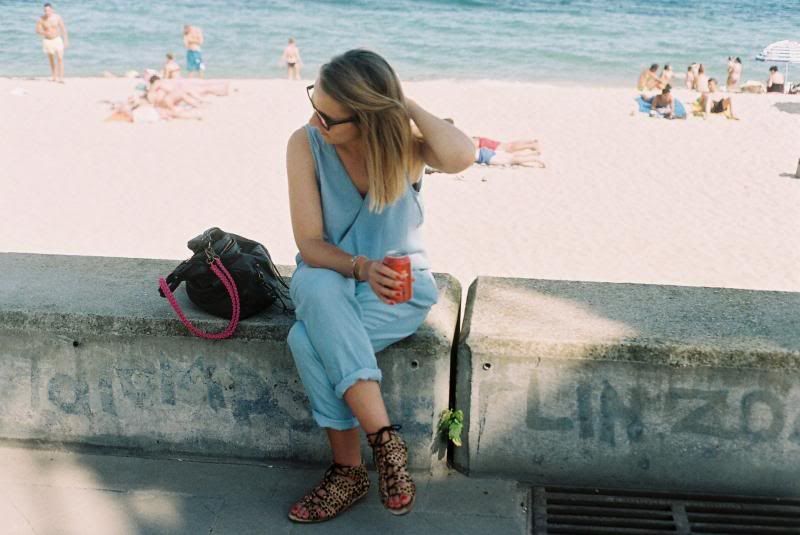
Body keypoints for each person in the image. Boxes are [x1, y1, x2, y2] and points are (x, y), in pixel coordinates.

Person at [284, 49, 473, 523]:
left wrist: (402, 104)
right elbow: (310, 244)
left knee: (305, 341)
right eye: (314, 104)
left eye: (329, 117)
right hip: (329, 275)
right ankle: (385, 442)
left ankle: (348, 472)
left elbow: (462, 155)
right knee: (320, 289)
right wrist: (362, 267)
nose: (316, 120)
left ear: (367, 116)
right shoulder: (305, 143)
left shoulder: (406, 146)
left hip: (396, 292)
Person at [35, 3, 68, 83]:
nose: (47, 12)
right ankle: (54, 76)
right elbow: (37, 30)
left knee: (60, 58)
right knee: (51, 60)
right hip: (48, 41)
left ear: (52, 10)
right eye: (45, 10)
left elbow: (63, 29)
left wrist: (66, 40)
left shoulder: (57, 17)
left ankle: (61, 78)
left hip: (57, 39)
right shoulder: (41, 19)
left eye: (48, 10)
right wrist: (44, 32)